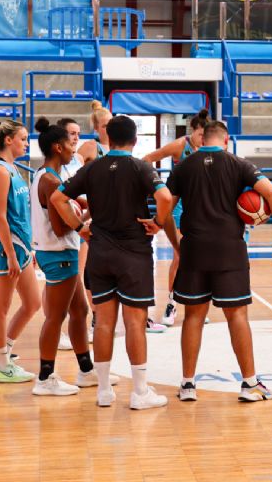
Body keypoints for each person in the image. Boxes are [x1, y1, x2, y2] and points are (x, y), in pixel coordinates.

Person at [162, 120, 272, 402]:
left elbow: (164, 210)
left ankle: (187, 384)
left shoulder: (184, 166)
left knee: (193, 316)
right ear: (226, 140)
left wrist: (175, 242)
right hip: (229, 250)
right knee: (237, 316)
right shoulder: (239, 165)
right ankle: (249, 383)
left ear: (202, 139)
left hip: (194, 249)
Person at [52, 115, 173, 410]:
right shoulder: (140, 167)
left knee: (104, 324)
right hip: (133, 254)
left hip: (100, 253)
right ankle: (140, 392)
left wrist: (80, 227)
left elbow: (57, 197)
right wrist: (157, 223)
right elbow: (166, 197)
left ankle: (104, 390)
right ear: (134, 140)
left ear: (110, 137)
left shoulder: (92, 168)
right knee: (134, 324)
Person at [31, 118, 118, 396]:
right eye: (70, 143)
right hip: (58, 253)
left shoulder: (45, 175)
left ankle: (85, 369)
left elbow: (70, 207)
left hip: (59, 252)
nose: (74, 147)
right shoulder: (50, 180)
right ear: (57, 147)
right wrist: (84, 222)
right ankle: (45, 377)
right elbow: (59, 227)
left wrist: (89, 207)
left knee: (79, 311)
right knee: (55, 317)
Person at [0, 119, 41, 383]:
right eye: (23, 138)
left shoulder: (13, 169)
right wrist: (9, 253)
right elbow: (0, 218)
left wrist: (30, 247)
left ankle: (2, 352)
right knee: (2, 306)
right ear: (8, 140)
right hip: (6, 246)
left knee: (32, 303)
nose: (27, 143)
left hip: (20, 245)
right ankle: (2, 365)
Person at [143, 108, 210, 328]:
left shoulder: (210, 147)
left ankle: (196, 302)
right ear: (193, 131)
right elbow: (149, 159)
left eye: (206, 135)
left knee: (200, 259)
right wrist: (155, 185)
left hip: (202, 209)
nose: (203, 138)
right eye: (201, 134)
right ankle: (171, 304)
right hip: (180, 207)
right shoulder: (181, 145)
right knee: (180, 257)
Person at [77, 101, 112, 340]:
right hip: (93, 218)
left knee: (108, 271)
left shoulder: (121, 148)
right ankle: (91, 317)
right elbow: (71, 170)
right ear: (97, 128)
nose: (109, 128)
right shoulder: (91, 146)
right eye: (105, 125)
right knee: (86, 273)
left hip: (113, 218)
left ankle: (103, 316)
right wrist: (82, 201)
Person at [55, 117, 85, 351]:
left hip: (79, 224)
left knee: (80, 279)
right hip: (64, 226)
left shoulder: (80, 159)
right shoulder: (54, 167)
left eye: (78, 133)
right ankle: (59, 329)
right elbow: (60, 197)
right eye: (71, 133)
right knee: (60, 289)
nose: (76, 137)